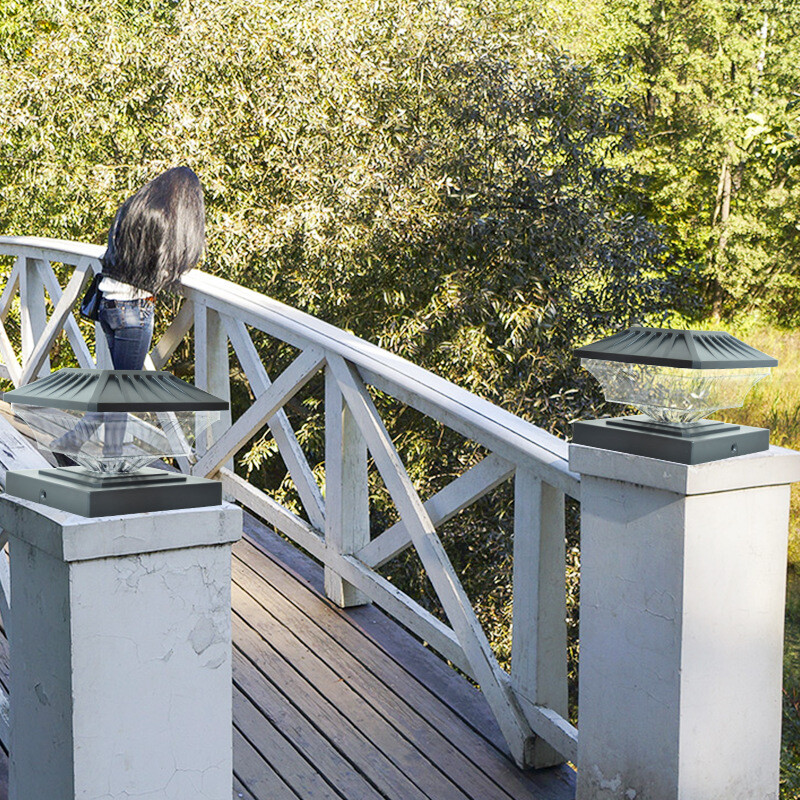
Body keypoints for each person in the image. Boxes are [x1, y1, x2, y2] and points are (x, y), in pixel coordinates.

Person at [53, 167, 206, 464]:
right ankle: (105, 458)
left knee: (118, 388)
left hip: (110, 306)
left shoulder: (135, 208)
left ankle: (75, 446)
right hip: (134, 311)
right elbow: (164, 267)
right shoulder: (165, 221)